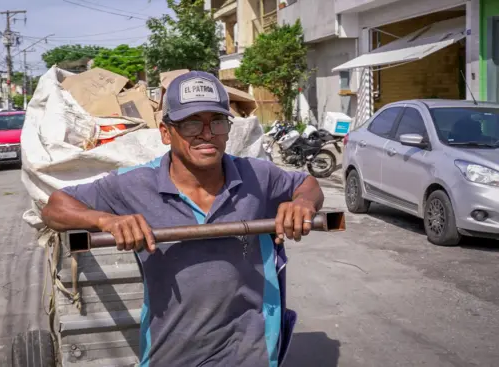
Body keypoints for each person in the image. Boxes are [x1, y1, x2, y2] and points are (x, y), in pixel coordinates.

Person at [42, 71, 324, 366]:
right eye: (191, 123)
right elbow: (55, 207)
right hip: (172, 353)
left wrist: (302, 203)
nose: (206, 134)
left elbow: (307, 185)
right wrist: (106, 221)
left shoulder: (258, 175)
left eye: (216, 121)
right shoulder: (134, 184)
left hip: (251, 352)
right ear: (166, 132)